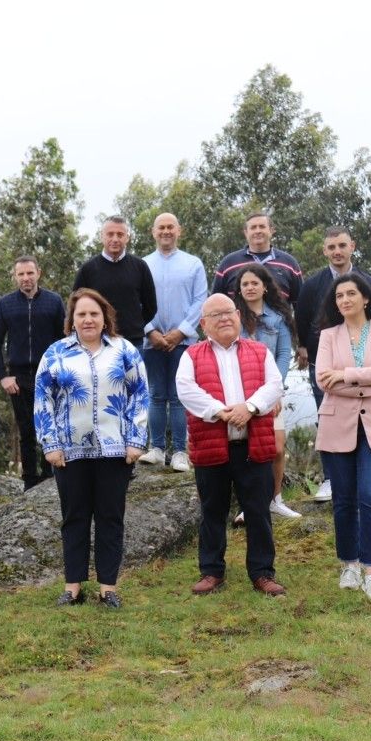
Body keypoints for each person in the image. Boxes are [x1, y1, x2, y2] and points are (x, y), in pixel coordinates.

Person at [34, 288, 148, 608]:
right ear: (72, 319)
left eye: (94, 314)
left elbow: (140, 394)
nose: (88, 319)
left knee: (111, 518)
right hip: (68, 452)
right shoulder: (55, 354)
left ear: (105, 317)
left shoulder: (124, 351)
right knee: (75, 518)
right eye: (81, 314)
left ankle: (108, 588)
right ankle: (72, 587)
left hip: (115, 451)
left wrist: (135, 440)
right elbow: (42, 400)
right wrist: (50, 444)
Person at [177, 294, 286, 597]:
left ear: (239, 316)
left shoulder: (259, 351)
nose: (224, 318)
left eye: (228, 312)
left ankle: (263, 573)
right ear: (203, 324)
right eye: (216, 315)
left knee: (258, 512)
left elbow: (274, 385)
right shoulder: (191, 356)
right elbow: (186, 390)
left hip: (253, 446)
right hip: (212, 446)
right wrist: (220, 411)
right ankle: (211, 572)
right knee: (212, 511)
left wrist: (249, 408)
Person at [315, 272, 371, 600]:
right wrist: (369, 382)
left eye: (351, 294)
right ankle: (349, 564)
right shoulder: (327, 336)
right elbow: (324, 380)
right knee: (344, 501)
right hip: (337, 425)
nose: (345, 300)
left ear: (365, 298)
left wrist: (347, 376)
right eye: (339, 296)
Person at [293, 227, 371, 503]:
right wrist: (304, 347)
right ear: (325, 251)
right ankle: (332, 479)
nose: (337, 251)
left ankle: (361, 477)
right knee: (328, 417)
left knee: (364, 416)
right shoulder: (313, 285)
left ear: (352, 246)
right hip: (325, 363)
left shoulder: (368, 283)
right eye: (331, 247)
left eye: (342, 245)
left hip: (362, 362)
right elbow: (303, 317)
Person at [0, 256, 65, 491]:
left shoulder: (53, 301)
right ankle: (30, 480)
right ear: (15, 276)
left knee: (50, 426)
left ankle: (50, 476)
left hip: (48, 374)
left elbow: (63, 340)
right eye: (20, 274)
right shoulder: (6, 304)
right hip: (18, 377)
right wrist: (3, 376)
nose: (25, 278)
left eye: (29, 273)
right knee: (27, 430)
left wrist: (60, 372)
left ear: (38, 273)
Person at [233, 264, 300, 521]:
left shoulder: (279, 317)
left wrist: (275, 391)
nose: (250, 288)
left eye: (254, 283)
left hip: (271, 390)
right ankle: (247, 505)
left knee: (277, 448)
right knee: (245, 451)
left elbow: (284, 354)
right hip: (239, 392)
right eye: (245, 284)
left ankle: (275, 500)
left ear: (264, 286)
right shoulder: (234, 317)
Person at [141, 213, 206, 472]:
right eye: (161, 227)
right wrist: (150, 331)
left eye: (171, 227)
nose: (166, 231)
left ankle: (180, 451)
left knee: (179, 397)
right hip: (151, 341)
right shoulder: (142, 264)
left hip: (184, 342)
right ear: (153, 232)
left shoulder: (193, 264)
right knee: (156, 394)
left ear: (179, 230)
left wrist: (181, 332)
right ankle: (156, 448)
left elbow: (200, 301)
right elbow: (137, 302)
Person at [73, 216, 157, 350]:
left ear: (127, 238)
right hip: (98, 342)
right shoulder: (87, 269)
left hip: (132, 342)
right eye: (110, 234)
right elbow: (75, 306)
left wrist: (135, 324)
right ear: (102, 237)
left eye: (120, 234)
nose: (115, 239)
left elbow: (151, 306)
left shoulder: (140, 266)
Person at [213, 211, 303, 302]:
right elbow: (215, 302)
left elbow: (300, 303)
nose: (258, 231)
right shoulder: (228, 263)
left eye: (262, 226)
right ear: (246, 233)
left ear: (271, 230)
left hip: (280, 316)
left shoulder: (289, 264)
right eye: (253, 227)